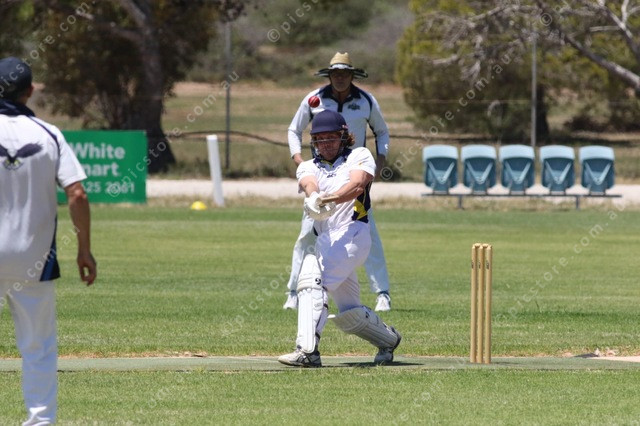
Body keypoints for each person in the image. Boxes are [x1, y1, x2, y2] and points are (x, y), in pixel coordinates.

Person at [0, 57, 97, 425]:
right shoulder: (49, 134)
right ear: (30, 91)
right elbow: (77, 194)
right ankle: (40, 422)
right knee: (38, 348)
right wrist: (84, 250)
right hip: (34, 260)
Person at [278, 110, 401, 367]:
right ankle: (388, 339)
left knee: (311, 280)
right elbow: (310, 184)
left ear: (344, 137)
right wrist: (314, 197)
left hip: (354, 235)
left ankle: (308, 351)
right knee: (349, 311)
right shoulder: (308, 166)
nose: (325, 144)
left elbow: (357, 185)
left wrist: (330, 198)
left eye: (331, 138)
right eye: (320, 139)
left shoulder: (359, 155)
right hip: (326, 240)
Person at [283, 52, 392, 312]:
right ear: (329, 75)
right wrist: (298, 159)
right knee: (307, 235)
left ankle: (382, 293)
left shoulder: (366, 100)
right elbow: (294, 129)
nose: (340, 78)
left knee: (367, 233)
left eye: (345, 73)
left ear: (352, 75)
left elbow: (382, 131)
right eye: (335, 73)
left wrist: (380, 161)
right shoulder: (314, 99)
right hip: (321, 173)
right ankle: (293, 292)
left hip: (353, 172)